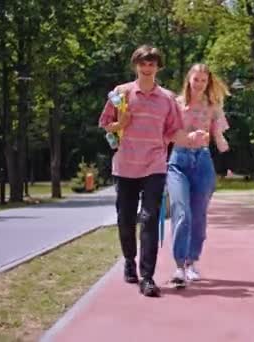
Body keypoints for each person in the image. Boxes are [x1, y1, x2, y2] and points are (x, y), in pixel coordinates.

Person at [98, 45, 208, 297]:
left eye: (152, 64)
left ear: (158, 67)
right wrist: (120, 124)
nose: (147, 69)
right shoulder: (121, 93)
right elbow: (105, 124)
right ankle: (129, 261)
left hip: (155, 166)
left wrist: (190, 138)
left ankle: (147, 277)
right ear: (136, 65)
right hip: (125, 165)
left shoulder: (167, 98)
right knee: (126, 220)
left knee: (149, 220)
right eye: (143, 64)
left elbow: (173, 131)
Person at [168, 64, 230, 286]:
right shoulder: (176, 104)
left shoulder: (213, 105)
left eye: (204, 81)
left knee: (199, 215)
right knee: (182, 212)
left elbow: (217, 129)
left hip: (202, 161)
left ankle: (191, 262)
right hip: (178, 161)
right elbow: (167, 133)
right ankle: (178, 266)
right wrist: (187, 136)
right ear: (189, 79)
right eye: (196, 79)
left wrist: (220, 139)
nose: (200, 84)